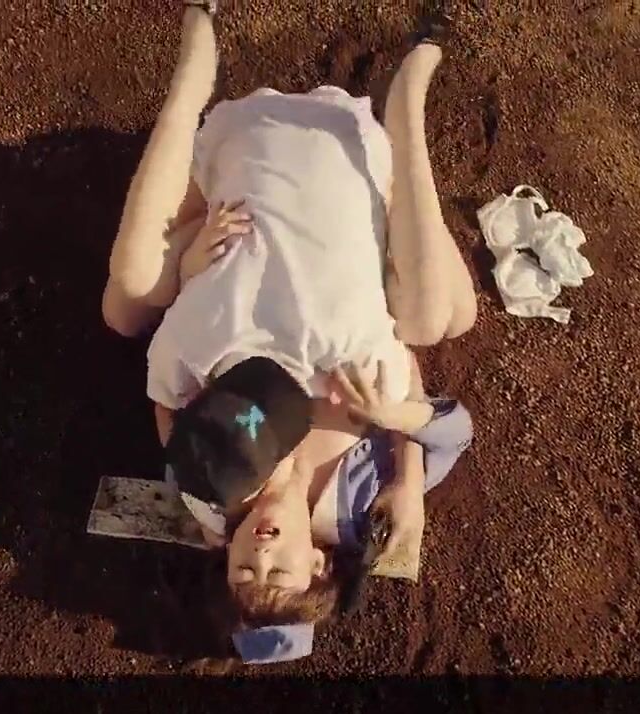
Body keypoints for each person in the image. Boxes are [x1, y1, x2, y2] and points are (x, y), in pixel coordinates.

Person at [101, 1, 476, 663]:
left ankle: (191, 83)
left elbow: (166, 396)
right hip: (346, 204)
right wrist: (405, 464)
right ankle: (405, 120)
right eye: (281, 571)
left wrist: (190, 268)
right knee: (442, 319)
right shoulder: (363, 506)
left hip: (241, 227)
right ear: (319, 565)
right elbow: (446, 422)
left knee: (124, 303)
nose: (263, 552)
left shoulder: (213, 486)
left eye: (245, 569)